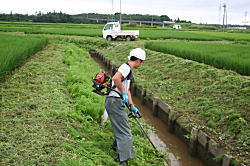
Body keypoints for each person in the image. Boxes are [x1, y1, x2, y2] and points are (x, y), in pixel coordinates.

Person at [105, 48, 146, 165]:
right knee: (126, 132)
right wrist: (122, 92)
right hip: (115, 101)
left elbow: (127, 90)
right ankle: (122, 159)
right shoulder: (126, 67)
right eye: (141, 61)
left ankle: (116, 146)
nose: (141, 64)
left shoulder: (128, 69)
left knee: (122, 125)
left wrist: (132, 105)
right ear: (138, 60)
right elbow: (116, 78)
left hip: (115, 102)